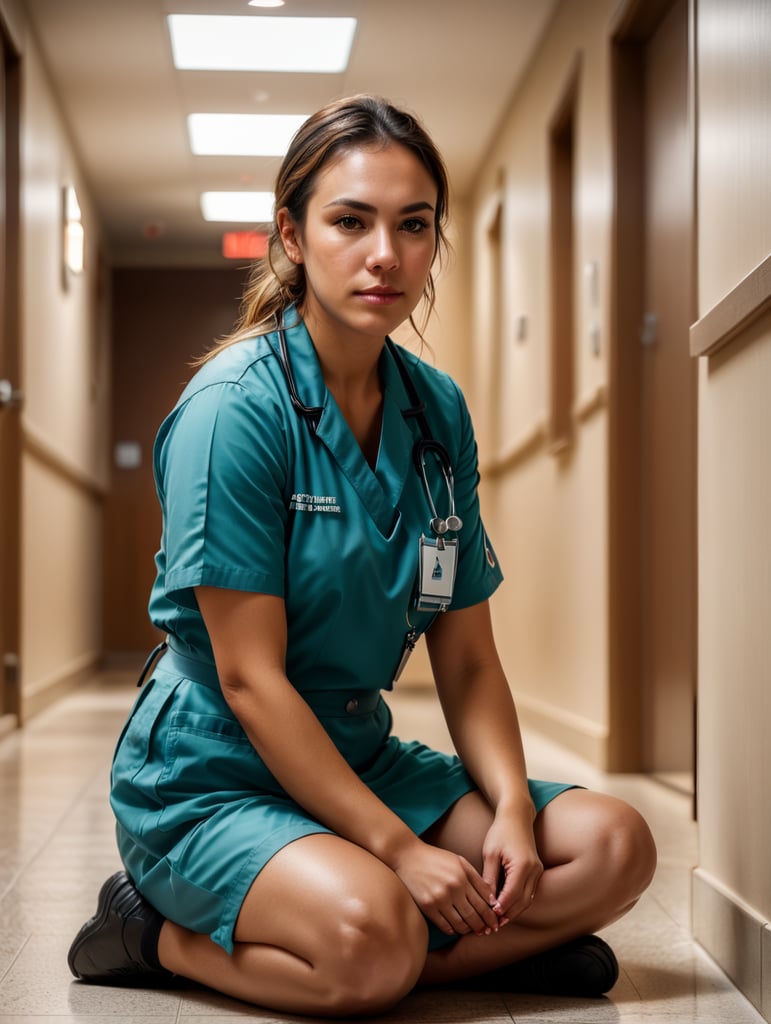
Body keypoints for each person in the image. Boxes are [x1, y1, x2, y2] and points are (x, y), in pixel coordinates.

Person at [68, 94, 656, 1017]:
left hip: (356, 749)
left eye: (413, 225)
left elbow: (465, 655)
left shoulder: (434, 411)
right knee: (371, 939)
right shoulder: (235, 409)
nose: (386, 254)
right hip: (212, 771)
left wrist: (507, 808)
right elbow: (253, 681)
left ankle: (419, 941)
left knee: (612, 846)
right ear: (292, 235)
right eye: (350, 220)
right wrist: (399, 850)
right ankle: (152, 932)